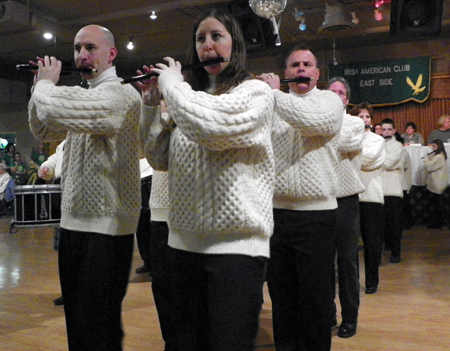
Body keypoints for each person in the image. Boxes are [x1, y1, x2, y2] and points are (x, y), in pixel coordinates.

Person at [140, 9, 275, 351]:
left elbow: (213, 129)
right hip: (183, 244)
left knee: (227, 343)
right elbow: (158, 158)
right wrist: (151, 104)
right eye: (201, 39)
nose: (207, 45)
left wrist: (172, 86)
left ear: (235, 45)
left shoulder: (255, 92)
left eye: (217, 36)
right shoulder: (188, 100)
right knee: (183, 343)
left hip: (236, 248)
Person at [28, 24, 142, 351]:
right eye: (77, 48)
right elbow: (40, 125)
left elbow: (51, 107)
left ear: (111, 54)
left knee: (98, 329)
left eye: (90, 47)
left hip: (107, 229)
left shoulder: (122, 94)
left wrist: (47, 87)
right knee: (78, 325)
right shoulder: (86, 96)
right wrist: (40, 86)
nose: (81, 55)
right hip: (73, 224)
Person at [258, 45, 343, 351]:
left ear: (317, 74)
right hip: (276, 215)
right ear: (286, 73)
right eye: (295, 65)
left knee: (316, 299)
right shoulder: (272, 102)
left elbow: (315, 124)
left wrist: (274, 95)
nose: (301, 69)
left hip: (316, 216)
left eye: (307, 64)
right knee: (282, 297)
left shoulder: (330, 101)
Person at [325, 77, 365, 338]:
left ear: (347, 100)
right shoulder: (314, 122)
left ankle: (350, 316)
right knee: (322, 262)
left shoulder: (355, 122)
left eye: (341, 93)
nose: (337, 96)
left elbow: (347, 144)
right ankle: (327, 312)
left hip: (346, 200)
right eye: (332, 92)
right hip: (320, 199)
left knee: (347, 261)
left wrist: (322, 132)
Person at [349, 102, 385, 294]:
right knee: (350, 246)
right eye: (361, 116)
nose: (365, 120)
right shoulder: (348, 138)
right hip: (351, 195)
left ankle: (372, 281)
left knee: (372, 243)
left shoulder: (377, 140)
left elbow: (370, 159)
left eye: (367, 117)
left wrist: (351, 157)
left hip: (371, 196)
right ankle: (352, 281)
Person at [38, 139, 65, 306]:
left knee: (84, 251)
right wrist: (45, 167)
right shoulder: (63, 143)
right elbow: (54, 159)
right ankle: (68, 291)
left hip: (83, 194)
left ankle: (85, 294)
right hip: (61, 193)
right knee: (65, 251)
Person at [380, 118, 404, 264]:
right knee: (381, 226)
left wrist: (376, 159)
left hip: (394, 190)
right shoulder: (377, 143)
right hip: (380, 190)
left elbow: (389, 163)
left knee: (394, 225)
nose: (386, 132)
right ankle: (382, 251)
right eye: (384, 129)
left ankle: (396, 253)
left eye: (389, 129)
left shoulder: (398, 145)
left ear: (394, 130)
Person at [423, 139, 449, 229]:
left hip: (436, 184)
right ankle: (437, 223)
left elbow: (429, 167)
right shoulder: (440, 156)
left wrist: (426, 159)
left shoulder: (439, 157)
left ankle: (437, 223)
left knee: (437, 206)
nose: (432, 148)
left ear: (439, 146)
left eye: (434, 146)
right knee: (436, 205)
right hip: (437, 183)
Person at [134, 158, 153, 275]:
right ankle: (148, 261)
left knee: (150, 221)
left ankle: (156, 263)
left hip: (148, 176)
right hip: (134, 178)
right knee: (140, 223)